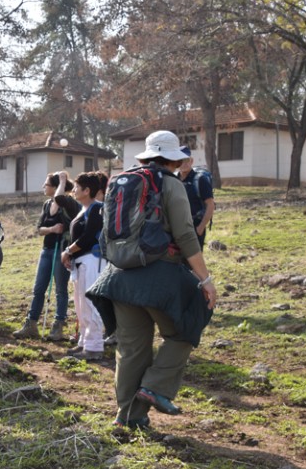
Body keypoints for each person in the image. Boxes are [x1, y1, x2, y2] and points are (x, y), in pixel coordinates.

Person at [87, 131, 217, 429]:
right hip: (158, 276)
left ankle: (127, 416)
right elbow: (186, 234)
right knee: (187, 326)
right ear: (174, 160)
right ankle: (155, 386)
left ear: (146, 156)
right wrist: (205, 279)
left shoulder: (121, 181)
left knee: (131, 348)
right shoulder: (170, 184)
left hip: (118, 276)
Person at [13, 172, 79, 341]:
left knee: (60, 290)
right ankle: (31, 324)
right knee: (38, 289)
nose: (43, 187)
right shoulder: (46, 204)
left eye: (47, 184)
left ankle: (58, 326)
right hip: (47, 250)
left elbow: (61, 201)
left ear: (56, 187)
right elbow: (40, 229)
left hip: (61, 250)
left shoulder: (69, 204)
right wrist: (51, 229)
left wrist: (63, 180)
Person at [61, 172, 105, 360]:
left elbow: (88, 237)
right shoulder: (83, 209)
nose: (74, 190)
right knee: (80, 305)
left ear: (87, 190)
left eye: (77, 187)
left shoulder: (96, 209)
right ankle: (84, 343)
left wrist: (68, 251)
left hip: (93, 260)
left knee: (90, 303)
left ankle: (94, 346)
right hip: (81, 262)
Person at [178, 146, 215, 249]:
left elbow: (210, 205)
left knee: (194, 263)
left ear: (191, 161)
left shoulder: (200, 180)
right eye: (180, 160)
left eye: (186, 160)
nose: (183, 163)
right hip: (177, 227)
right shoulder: (174, 179)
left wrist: (201, 227)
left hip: (195, 227)